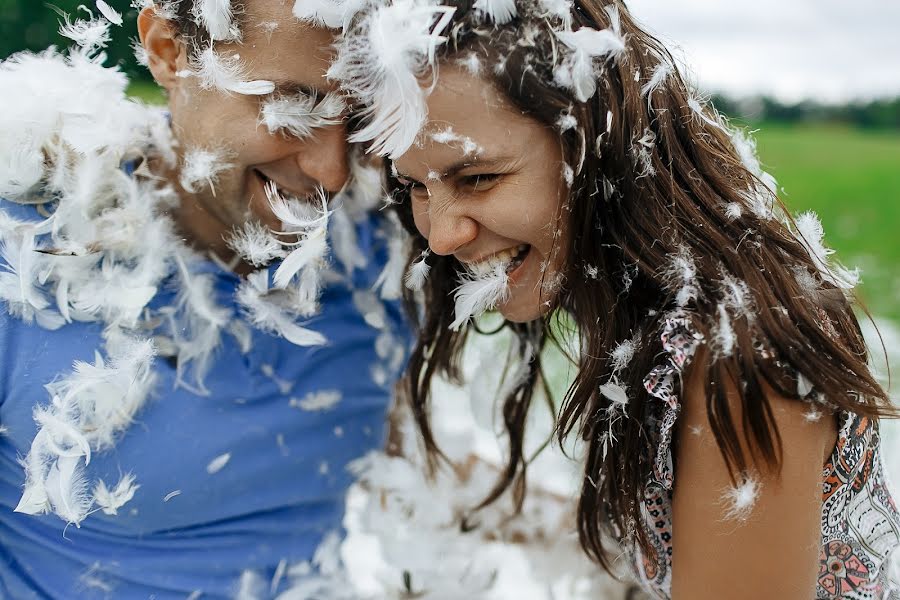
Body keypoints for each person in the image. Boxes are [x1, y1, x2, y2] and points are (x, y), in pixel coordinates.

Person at [330, 0, 900, 597]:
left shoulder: (738, 355)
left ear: (594, 145)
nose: (442, 236)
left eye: (478, 178)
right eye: (417, 186)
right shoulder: (645, 316)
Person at [0, 1, 408, 597]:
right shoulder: (22, 258)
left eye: (366, 116)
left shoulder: (392, 244)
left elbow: (427, 475)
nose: (332, 171)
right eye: (294, 109)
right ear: (169, 50)